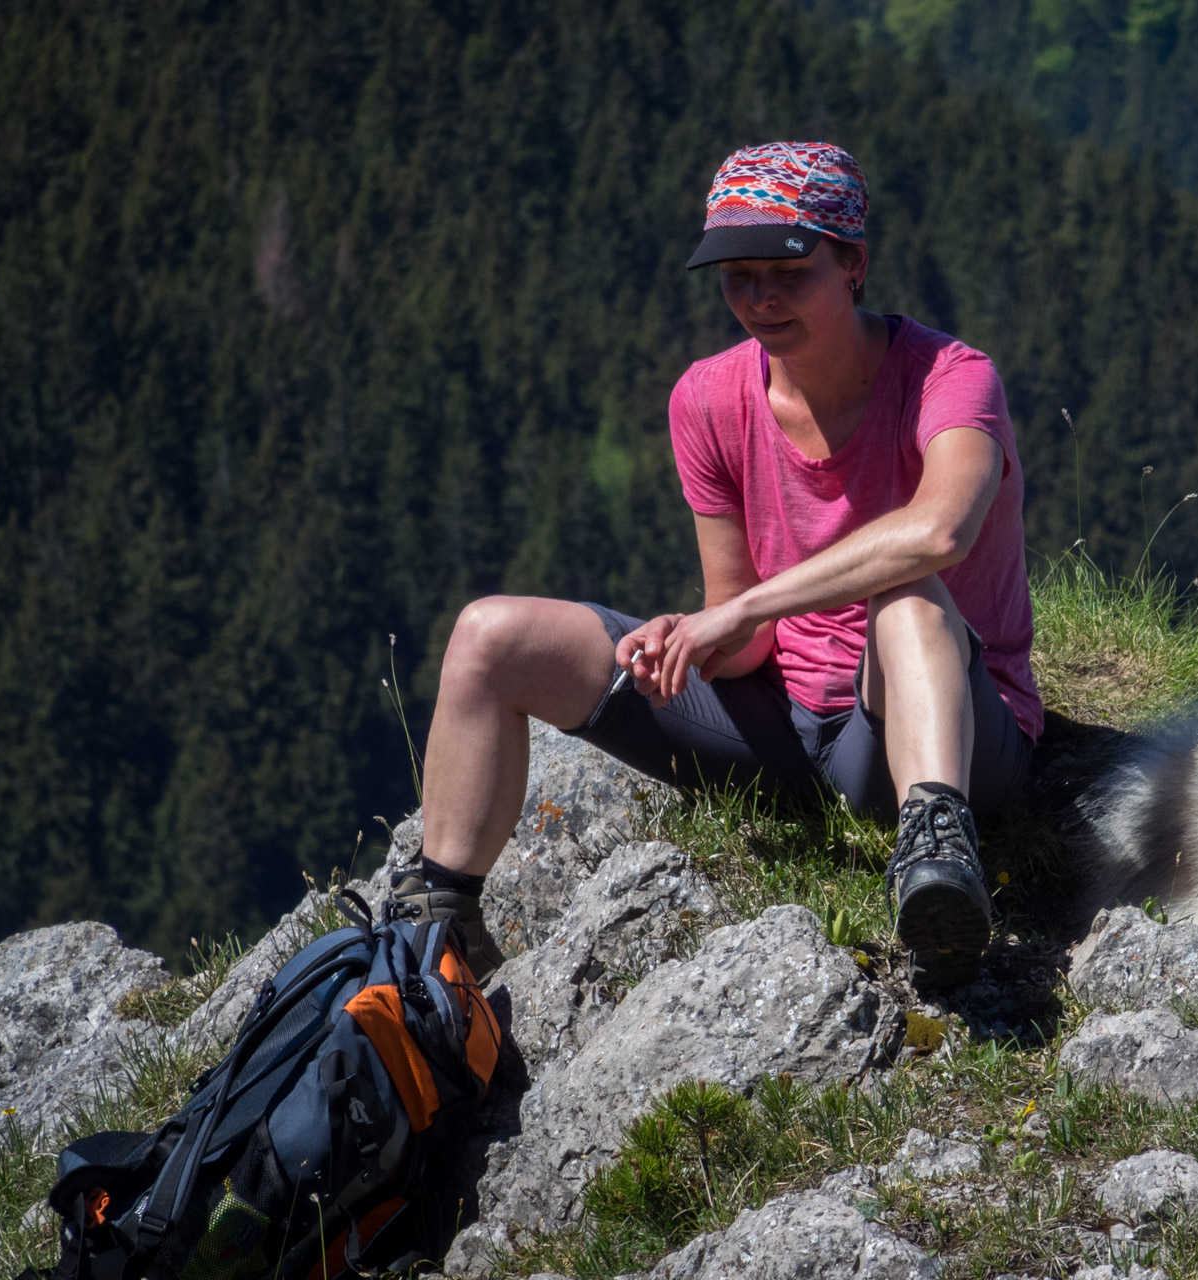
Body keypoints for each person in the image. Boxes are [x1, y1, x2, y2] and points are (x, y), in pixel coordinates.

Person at [393, 142, 1042, 990]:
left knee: (908, 596)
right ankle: (435, 924)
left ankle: (934, 852)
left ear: (854, 264)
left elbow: (940, 533)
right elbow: (742, 633)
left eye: (788, 270)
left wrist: (739, 614)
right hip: (780, 729)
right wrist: (694, 640)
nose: (760, 298)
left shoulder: (952, 380)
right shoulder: (707, 398)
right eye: (737, 276)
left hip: (932, 732)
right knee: (489, 636)